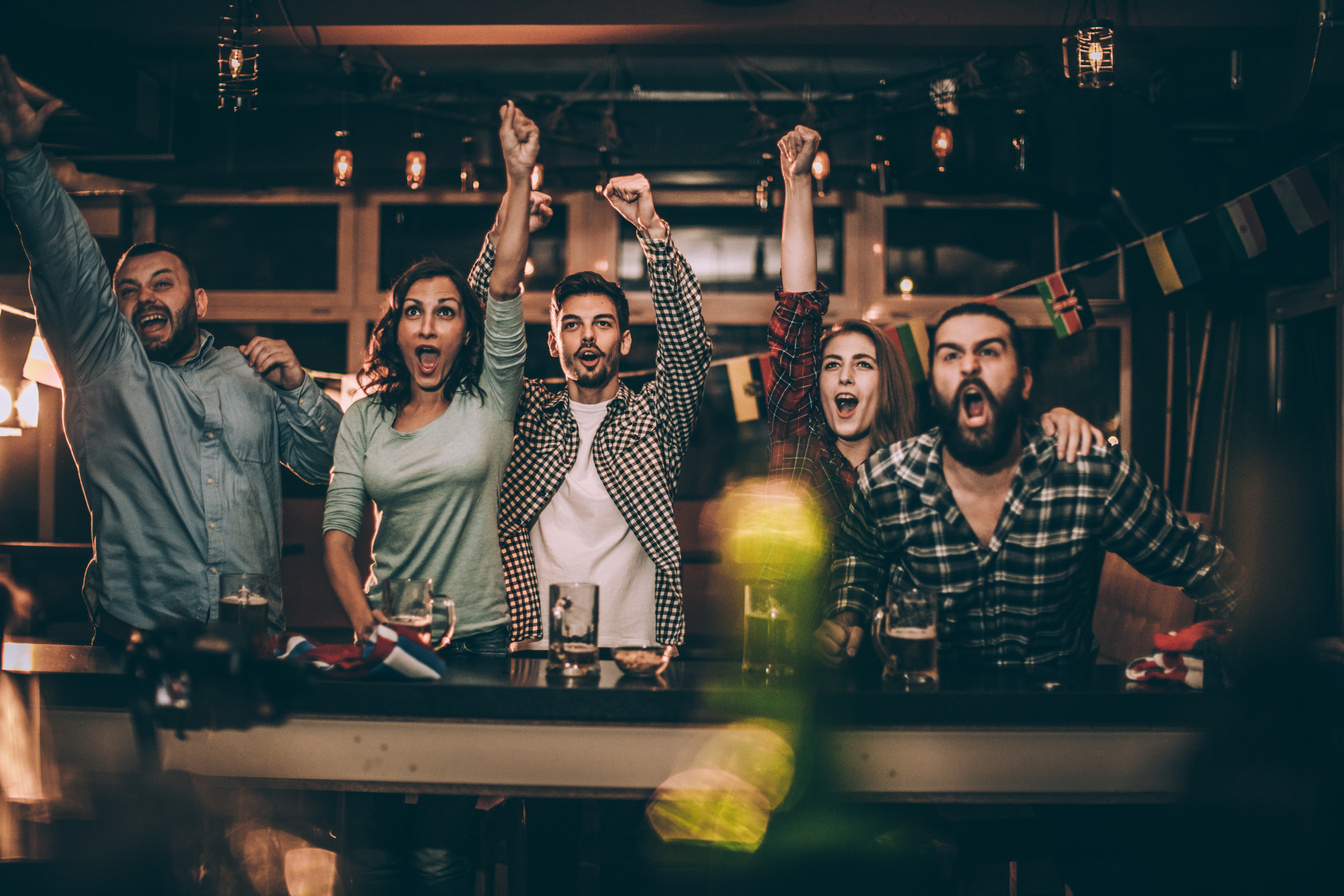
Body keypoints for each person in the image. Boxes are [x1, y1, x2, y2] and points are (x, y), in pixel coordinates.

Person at [0, 56, 341, 645]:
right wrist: (23, 165)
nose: (145, 298)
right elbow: (66, 261)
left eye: (163, 283)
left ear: (199, 301)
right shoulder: (101, 367)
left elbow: (327, 463)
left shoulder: (248, 373)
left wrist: (300, 388)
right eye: (128, 290)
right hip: (138, 640)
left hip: (250, 634)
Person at [320, 101, 540, 896]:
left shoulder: (492, 400)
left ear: (464, 333)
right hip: (383, 641)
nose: (429, 323)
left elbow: (507, 276)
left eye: (446, 311)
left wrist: (516, 179)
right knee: (372, 845)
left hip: (478, 640)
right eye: (414, 310)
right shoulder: (365, 419)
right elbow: (339, 538)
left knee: (447, 852)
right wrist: (366, 623)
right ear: (396, 327)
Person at [819, 301, 1241, 666]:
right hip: (930, 720)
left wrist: (1284, 641)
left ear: (1023, 382)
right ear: (933, 391)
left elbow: (1197, 560)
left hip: (1057, 723)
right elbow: (860, 553)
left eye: (988, 351)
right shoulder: (887, 479)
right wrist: (846, 615)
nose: (969, 365)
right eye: (950, 355)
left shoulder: (1087, 474)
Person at [770, 124, 1100, 538]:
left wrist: (1057, 422)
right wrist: (797, 183)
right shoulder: (799, 446)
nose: (845, 376)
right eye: (832, 364)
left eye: (863, 364)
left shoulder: (921, 469)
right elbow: (797, 310)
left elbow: (993, 437)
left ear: (887, 381)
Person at [471, 173, 711, 650]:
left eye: (602, 325)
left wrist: (652, 232)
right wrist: (504, 236)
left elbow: (687, 348)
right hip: (534, 647)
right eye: (573, 325)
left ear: (623, 341)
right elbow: (482, 332)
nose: (586, 337)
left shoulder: (654, 420)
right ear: (553, 341)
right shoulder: (525, 412)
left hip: (637, 648)